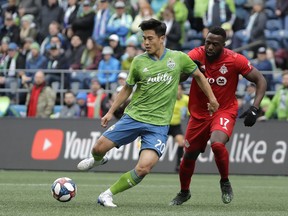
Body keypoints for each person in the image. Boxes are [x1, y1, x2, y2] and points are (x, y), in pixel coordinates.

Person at [77, 18, 219, 208]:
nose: (146, 43)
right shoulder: (138, 61)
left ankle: (107, 195)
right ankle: (97, 160)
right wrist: (110, 111)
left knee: (144, 168)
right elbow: (127, 89)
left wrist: (212, 99)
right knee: (98, 148)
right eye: (144, 38)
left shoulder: (178, 58)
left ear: (162, 38)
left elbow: (199, 76)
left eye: (150, 38)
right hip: (134, 117)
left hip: (158, 125)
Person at [169, 26, 267, 206]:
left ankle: (225, 181)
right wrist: (190, 70)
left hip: (223, 110)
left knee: (217, 143)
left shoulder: (235, 60)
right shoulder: (195, 55)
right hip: (198, 114)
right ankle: (184, 192)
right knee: (188, 155)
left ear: (224, 45)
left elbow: (260, 79)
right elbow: (178, 77)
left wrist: (255, 108)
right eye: (207, 43)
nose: (210, 47)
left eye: (215, 44)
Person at [169, 83, 189, 172]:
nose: (177, 91)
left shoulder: (186, 99)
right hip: (165, 125)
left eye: (179, 89)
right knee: (156, 144)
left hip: (176, 125)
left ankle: (178, 166)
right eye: (176, 89)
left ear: (182, 90)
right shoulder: (169, 98)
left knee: (181, 143)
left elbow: (190, 112)